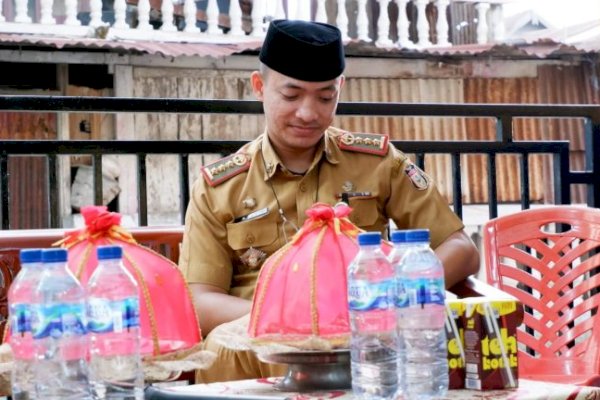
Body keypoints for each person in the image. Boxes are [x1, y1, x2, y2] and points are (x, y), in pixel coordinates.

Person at [179, 19, 480, 383]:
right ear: (259, 87)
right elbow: (198, 298)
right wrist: (288, 320)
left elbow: (460, 248)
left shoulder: (378, 163)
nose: (308, 113)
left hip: (364, 336)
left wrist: (389, 296)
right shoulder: (221, 187)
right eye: (291, 96)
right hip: (258, 342)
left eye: (325, 97)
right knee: (242, 347)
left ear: (340, 89)